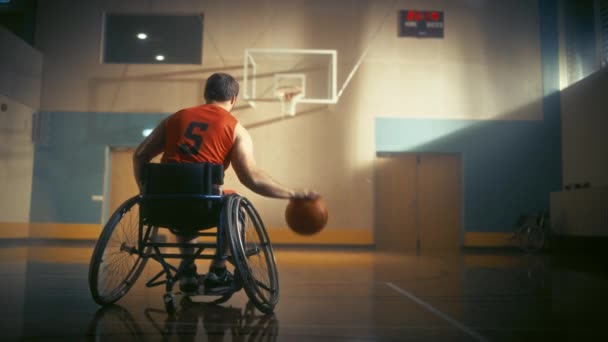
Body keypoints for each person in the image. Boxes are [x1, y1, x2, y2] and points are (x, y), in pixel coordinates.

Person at [133, 72, 318, 294]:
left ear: (205, 95)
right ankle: (218, 270)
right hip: (203, 208)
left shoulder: (175, 118)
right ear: (233, 99)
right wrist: (291, 193)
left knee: (185, 197)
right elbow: (251, 178)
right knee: (233, 204)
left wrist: (146, 194)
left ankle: (188, 271)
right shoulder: (235, 129)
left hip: (163, 205)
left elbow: (140, 155)